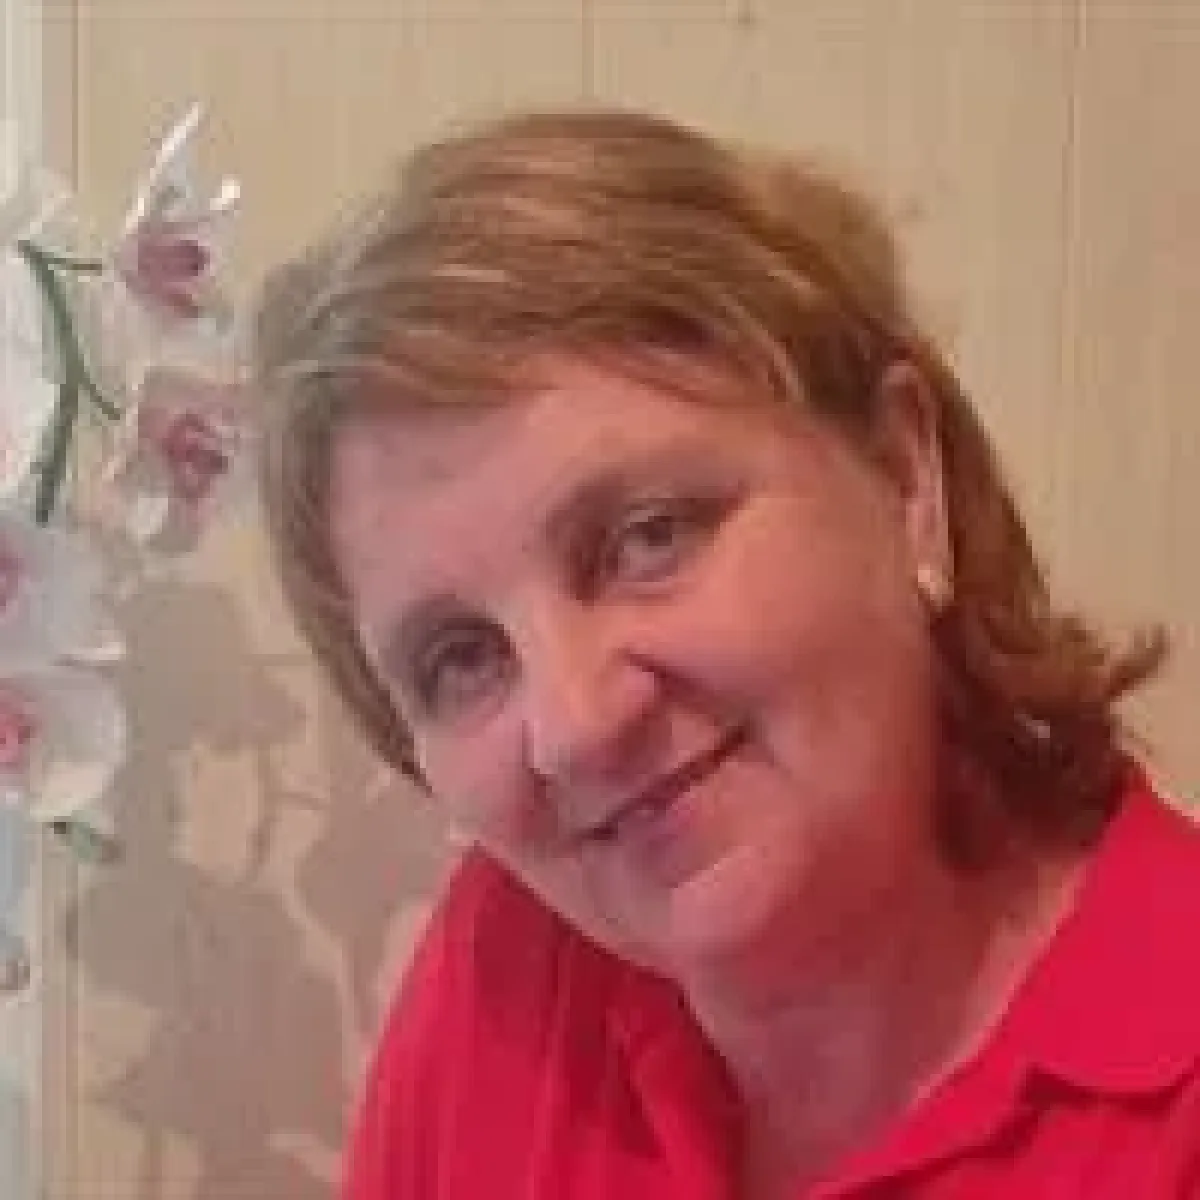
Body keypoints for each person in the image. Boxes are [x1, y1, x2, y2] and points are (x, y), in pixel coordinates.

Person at [251, 109, 1200, 1198]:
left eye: (647, 537)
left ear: (905, 477)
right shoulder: (510, 973)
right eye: (461, 659)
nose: (575, 726)